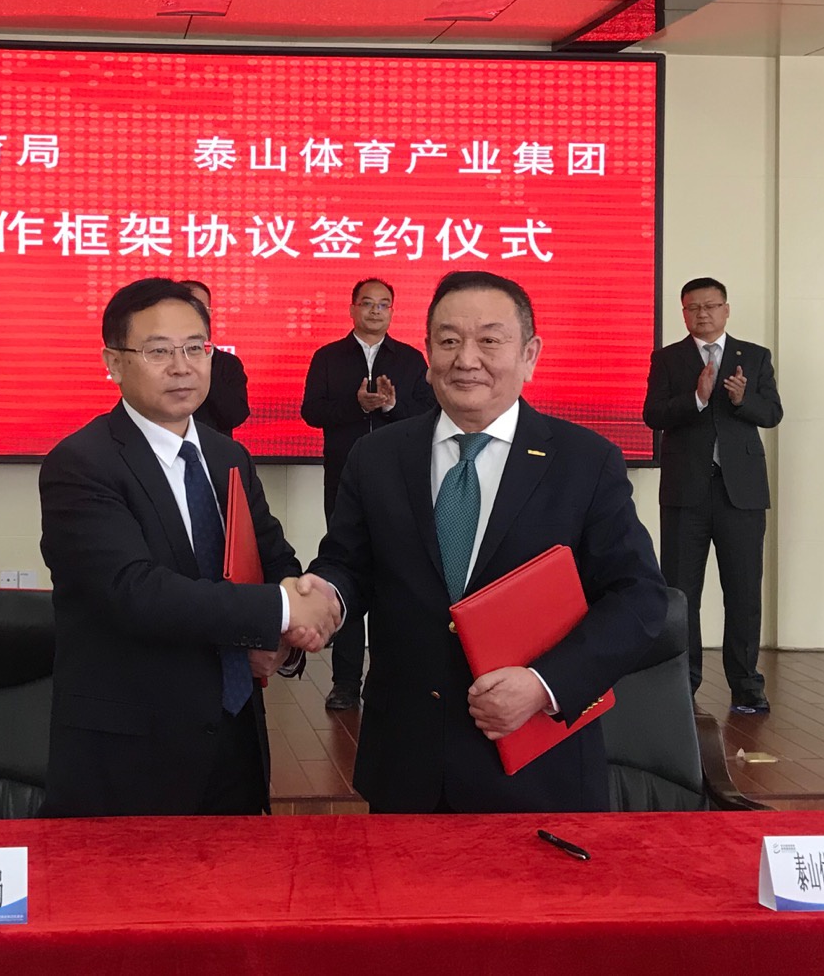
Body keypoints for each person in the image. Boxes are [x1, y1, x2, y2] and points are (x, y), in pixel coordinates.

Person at [307, 270, 666, 813]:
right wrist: (323, 598)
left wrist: (544, 684)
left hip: (538, 767)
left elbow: (639, 598)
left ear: (529, 354)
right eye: (449, 340)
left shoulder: (585, 461)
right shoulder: (378, 456)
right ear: (427, 353)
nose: (466, 359)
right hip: (407, 763)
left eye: (490, 340)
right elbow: (347, 565)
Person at [38, 278, 338, 816]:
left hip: (235, 737)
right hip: (133, 750)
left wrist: (288, 630)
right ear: (114, 362)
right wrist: (283, 609)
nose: (182, 367)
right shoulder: (82, 464)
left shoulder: (228, 456)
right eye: (158, 351)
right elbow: (135, 592)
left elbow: (274, 556)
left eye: (196, 348)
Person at [642, 277, 782, 715]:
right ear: (683, 313)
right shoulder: (668, 358)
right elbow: (653, 415)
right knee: (682, 591)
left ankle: (746, 683)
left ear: (726, 309)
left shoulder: (754, 356)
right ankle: (682, 682)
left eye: (710, 306)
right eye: (693, 308)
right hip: (686, 492)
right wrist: (697, 398)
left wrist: (741, 399)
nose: (702, 314)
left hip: (742, 492)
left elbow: (772, 413)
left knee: (744, 590)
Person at [300, 277, 435, 711]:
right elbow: (311, 411)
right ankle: (344, 682)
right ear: (353, 308)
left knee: (400, 577)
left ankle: (392, 681)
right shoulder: (328, 357)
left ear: (392, 311)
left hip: (403, 480)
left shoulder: (411, 359)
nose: (376, 311)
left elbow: (430, 413)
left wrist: (391, 407)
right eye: (368, 303)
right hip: (345, 480)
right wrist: (358, 406)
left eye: (384, 304)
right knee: (347, 575)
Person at [181, 280, 249, 437]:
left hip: (212, 449)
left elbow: (234, 416)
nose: (194, 315)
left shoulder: (226, 364)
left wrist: (204, 363)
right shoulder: (154, 358)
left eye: (201, 308)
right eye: (187, 307)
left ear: (210, 314)